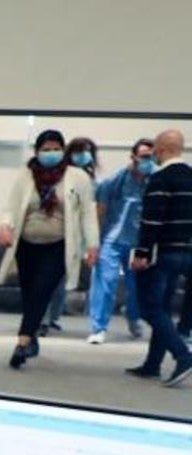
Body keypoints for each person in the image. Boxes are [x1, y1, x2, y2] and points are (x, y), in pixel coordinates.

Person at [0, 129, 100, 369]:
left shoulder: (77, 178)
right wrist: (5, 225)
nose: (51, 153)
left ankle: (22, 343)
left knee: (42, 290)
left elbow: (87, 214)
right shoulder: (26, 176)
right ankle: (32, 336)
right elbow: (11, 206)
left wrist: (92, 244)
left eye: (56, 148)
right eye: (46, 149)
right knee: (30, 292)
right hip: (27, 244)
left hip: (58, 246)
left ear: (63, 151)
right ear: (37, 151)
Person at [128, 129, 192, 386]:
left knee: (150, 308)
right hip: (188, 253)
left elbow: (152, 220)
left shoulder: (161, 179)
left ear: (161, 149)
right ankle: (152, 364)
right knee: (164, 309)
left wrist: (142, 253)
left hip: (163, 253)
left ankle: (183, 355)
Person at [87, 138, 155, 344]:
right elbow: (100, 212)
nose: (148, 161)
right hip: (112, 240)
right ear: (133, 157)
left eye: (151, 157)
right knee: (106, 282)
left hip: (139, 242)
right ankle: (99, 327)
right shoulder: (114, 182)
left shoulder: (156, 181)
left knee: (136, 287)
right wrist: (94, 243)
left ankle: (133, 317)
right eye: (144, 157)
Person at [41, 136, 101, 334]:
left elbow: (90, 213)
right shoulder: (60, 175)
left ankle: (54, 316)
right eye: (78, 151)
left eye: (86, 152)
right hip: (56, 234)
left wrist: (92, 243)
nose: (82, 156)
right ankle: (43, 318)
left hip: (78, 238)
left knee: (62, 281)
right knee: (49, 280)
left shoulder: (93, 181)